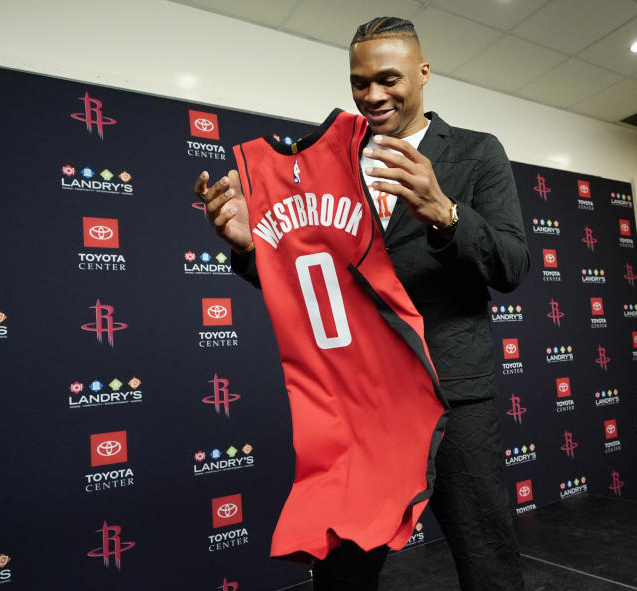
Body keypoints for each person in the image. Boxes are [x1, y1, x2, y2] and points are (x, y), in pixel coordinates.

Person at [193, 16, 529, 591]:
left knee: (486, 558)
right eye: (359, 82)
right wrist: (254, 249)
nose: (372, 95)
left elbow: (512, 266)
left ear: (424, 73)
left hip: (452, 392)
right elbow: (309, 281)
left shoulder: (476, 154)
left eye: (389, 79)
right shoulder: (331, 159)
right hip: (359, 402)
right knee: (343, 567)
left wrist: (445, 212)